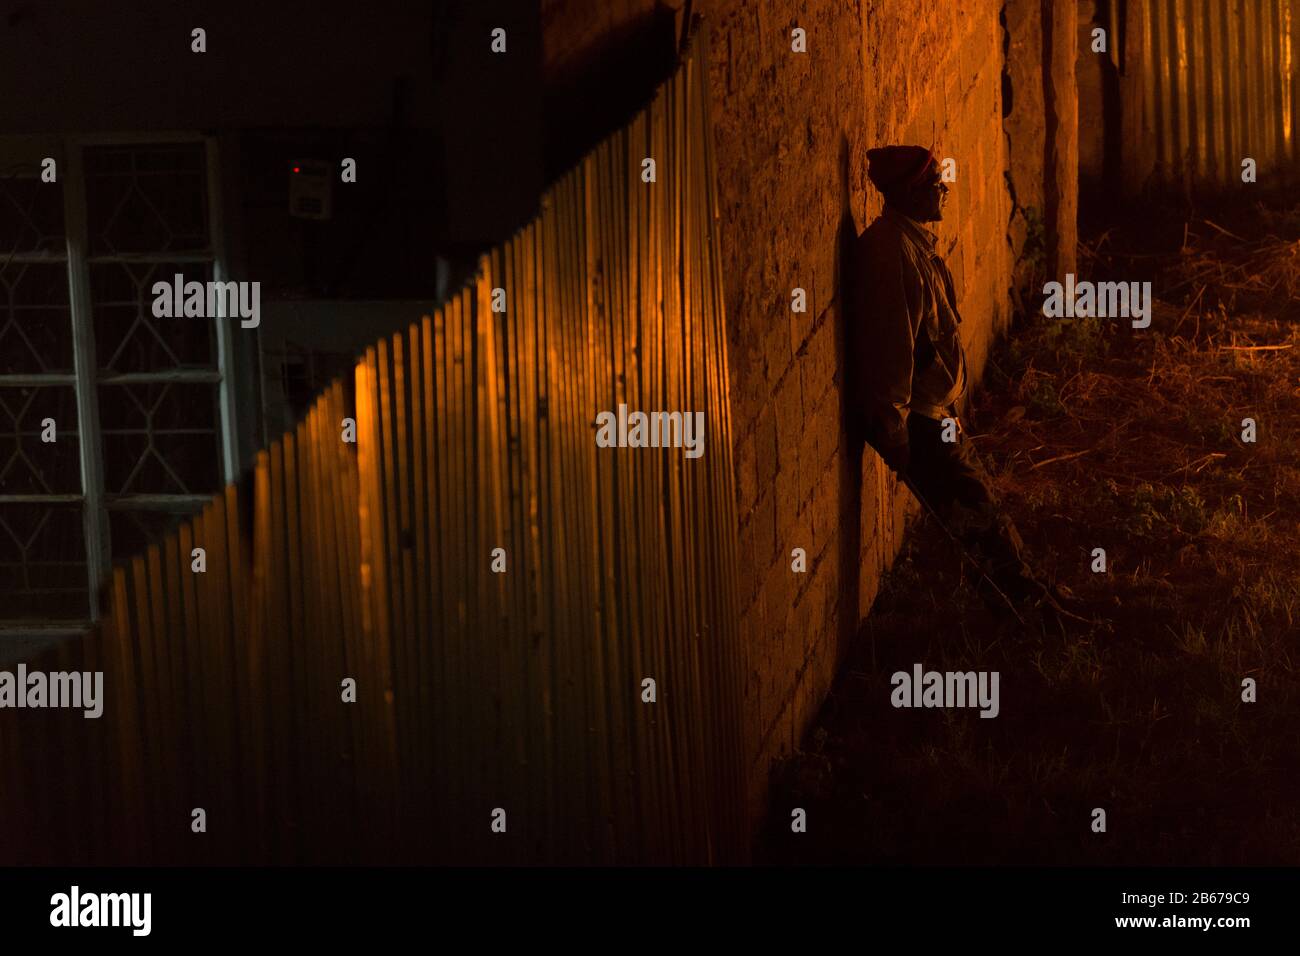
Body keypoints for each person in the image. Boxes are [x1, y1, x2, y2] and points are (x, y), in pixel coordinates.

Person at [848, 144, 1080, 627]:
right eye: (935, 185)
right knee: (973, 519)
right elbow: (890, 354)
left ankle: (1033, 591)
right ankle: (1029, 615)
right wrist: (897, 441)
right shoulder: (892, 257)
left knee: (984, 504)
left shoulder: (911, 243)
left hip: (938, 414)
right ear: (911, 193)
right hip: (919, 425)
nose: (945, 191)